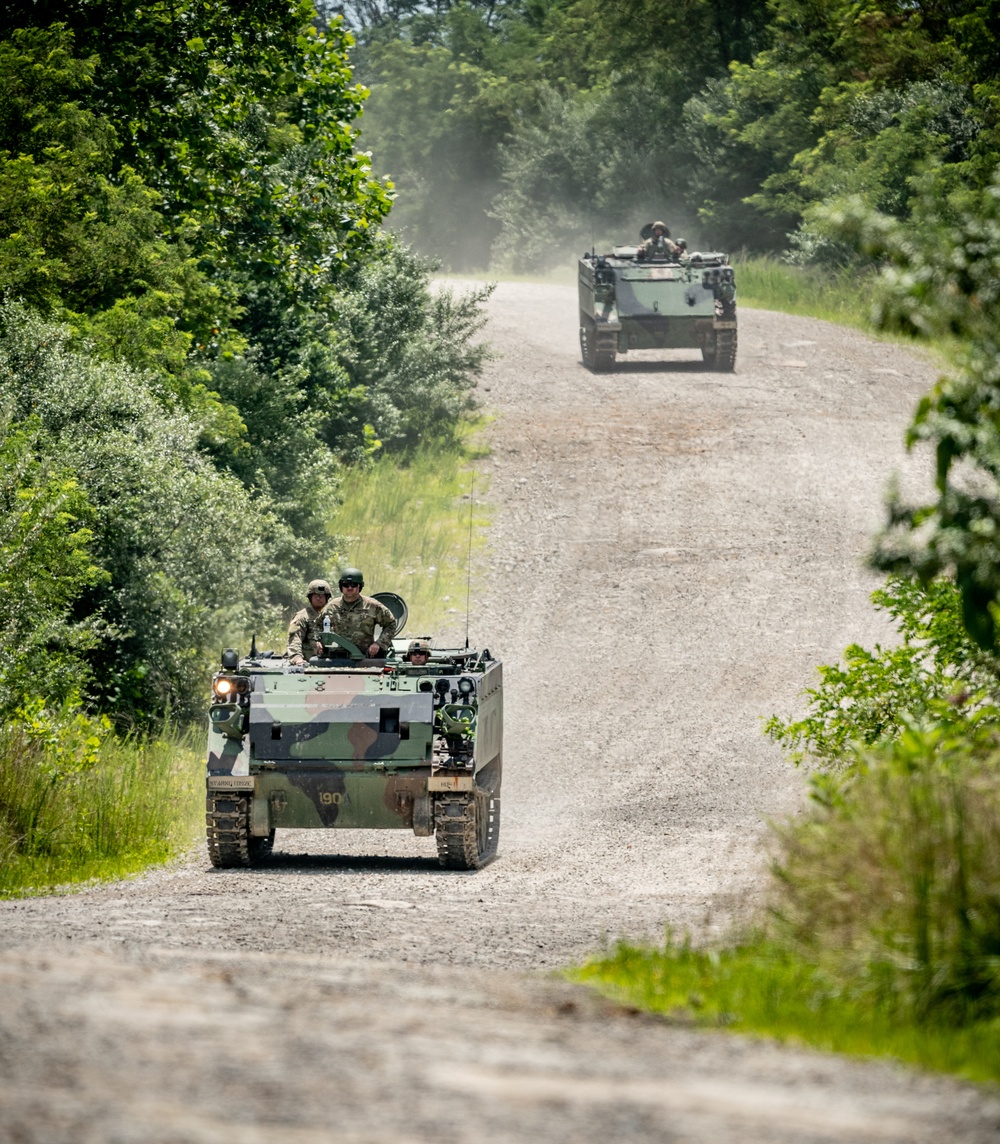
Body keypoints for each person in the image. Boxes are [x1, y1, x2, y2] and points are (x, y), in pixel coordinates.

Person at [320, 567, 397, 658]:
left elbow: (391, 624)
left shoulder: (372, 606)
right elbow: (317, 625)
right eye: (346, 584)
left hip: (364, 658)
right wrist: (318, 642)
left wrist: (379, 643)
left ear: (359, 586)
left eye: (353, 585)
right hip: (338, 658)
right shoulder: (332, 606)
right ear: (341, 586)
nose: (349, 588)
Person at [286, 578, 333, 664]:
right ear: (310, 597)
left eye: (322, 596)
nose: (319, 598)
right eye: (316, 596)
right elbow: (295, 639)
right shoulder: (302, 617)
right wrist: (297, 659)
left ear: (327, 597)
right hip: (309, 663)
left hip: (333, 662)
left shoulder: (333, 616)